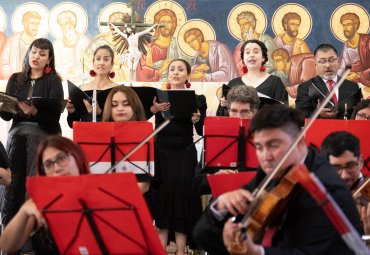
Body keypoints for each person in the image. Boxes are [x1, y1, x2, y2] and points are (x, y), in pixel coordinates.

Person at [194, 104, 361, 255]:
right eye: (259, 147)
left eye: (274, 145)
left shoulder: (327, 188)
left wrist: (257, 252)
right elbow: (203, 234)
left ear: (300, 142)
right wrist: (221, 204)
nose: (265, 156)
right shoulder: (275, 168)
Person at [0, 38, 63, 226]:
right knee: (16, 172)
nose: (36, 57)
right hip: (19, 133)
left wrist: (35, 112)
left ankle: (34, 226)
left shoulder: (54, 81)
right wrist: (3, 107)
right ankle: (11, 222)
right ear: (28, 54)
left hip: (45, 133)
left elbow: (54, 118)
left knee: (31, 145)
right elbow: (7, 118)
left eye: (42, 54)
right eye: (34, 52)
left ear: (49, 59)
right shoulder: (15, 78)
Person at [148, 59, 207, 255]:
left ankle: (181, 251)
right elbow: (143, 116)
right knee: (162, 200)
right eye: (172, 69)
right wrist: (155, 110)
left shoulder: (197, 99)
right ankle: (161, 250)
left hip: (184, 152)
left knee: (183, 200)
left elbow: (201, 129)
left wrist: (197, 120)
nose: (175, 72)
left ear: (188, 76)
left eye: (181, 70)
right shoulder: (158, 97)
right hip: (161, 151)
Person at [0, 135, 89, 254]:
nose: (56, 168)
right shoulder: (41, 203)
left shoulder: (101, 195)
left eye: (61, 158)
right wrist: (24, 210)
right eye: (48, 164)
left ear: (77, 158)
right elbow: (7, 246)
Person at [195, 85, 260, 195]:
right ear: (228, 110)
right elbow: (197, 183)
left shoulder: (265, 138)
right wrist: (216, 177)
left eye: (244, 111)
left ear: (254, 112)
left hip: (255, 203)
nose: (238, 116)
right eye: (234, 111)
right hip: (223, 202)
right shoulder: (216, 135)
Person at [102, 86, 151, 193]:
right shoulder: (100, 137)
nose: (120, 108)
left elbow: (143, 185)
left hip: (136, 200)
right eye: (114, 105)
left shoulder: (145, 137)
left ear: (135, 107)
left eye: (126, 104)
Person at [219, 39, 288, 115]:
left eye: (256, 52)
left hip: (265, 125)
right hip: (238, 126)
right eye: (247, 52)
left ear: (263, 58)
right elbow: (222, 115)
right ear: (243, 59)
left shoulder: (275, 82)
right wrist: (223, 106)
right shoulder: (233, 83)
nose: (251, 55)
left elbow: (284, 113)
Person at [321, 131, 370, 235]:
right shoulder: (317, 195)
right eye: (335, 168)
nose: (344, 176)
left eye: (350, 165)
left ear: (361, 161)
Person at [296, 43, 362, 120]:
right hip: (319, 130)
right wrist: (317, 113)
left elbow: (357, 113)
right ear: (315, 65)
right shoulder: (305, 87)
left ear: (338, 62)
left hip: (345, 130)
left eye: (331, 60)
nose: (327, 65)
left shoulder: (352, 86)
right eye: (322, 61)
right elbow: (299, 115)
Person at [66, 45, 118, 128]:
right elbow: (72, 125)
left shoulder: (118, 90)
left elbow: (121, 121)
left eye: (106, 59)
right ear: (93, 63)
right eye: (98, 59)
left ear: (112, 64)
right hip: (85, 136)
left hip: (110, 137)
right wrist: (71, 111)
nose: (101, 63)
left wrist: (99, 113)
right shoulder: (81, 89)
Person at [137, 9, 187, 82]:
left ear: (173, 24)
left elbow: (187, 66)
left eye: (169, 22)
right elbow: (141, 71)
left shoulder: (178, 44)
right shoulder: (148, 45)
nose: (166, 25)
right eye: (163, 22)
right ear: (157, 25)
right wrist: (162, 69)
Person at [0, 11, 42, 79]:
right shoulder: (12, 40)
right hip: (13, 81)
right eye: (32, 23)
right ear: (25, 23)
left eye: (37, 24)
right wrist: (14, 78)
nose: (35, 27)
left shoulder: (39, 44)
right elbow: (3, 64)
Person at [233, 11, 276, 76]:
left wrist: (254, 76)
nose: (242, 28)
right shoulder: (239, 46)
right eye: (240, 25)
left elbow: (270, 65)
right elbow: (235, 67)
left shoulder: (266, 40)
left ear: (252, 24)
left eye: (245, 24)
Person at [53, 10, 90, 82]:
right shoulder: (56, 44)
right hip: (64, 80)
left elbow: (91, 62)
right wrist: (67, 70)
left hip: (84, 80)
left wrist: (77, 69)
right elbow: (55, 66)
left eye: (66, 23)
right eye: (62, 24)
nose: (64, 27)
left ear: (73, 23)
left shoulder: (84, 40)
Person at [338, 12, 370, 87]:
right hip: (352, 80)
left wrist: (359, 75)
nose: (345, 28)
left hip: (366, 80)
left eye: (348, 24)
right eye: (343, 25)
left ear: (355, 26)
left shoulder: (367, 41)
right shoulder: (346, 44)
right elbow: (343, 66)